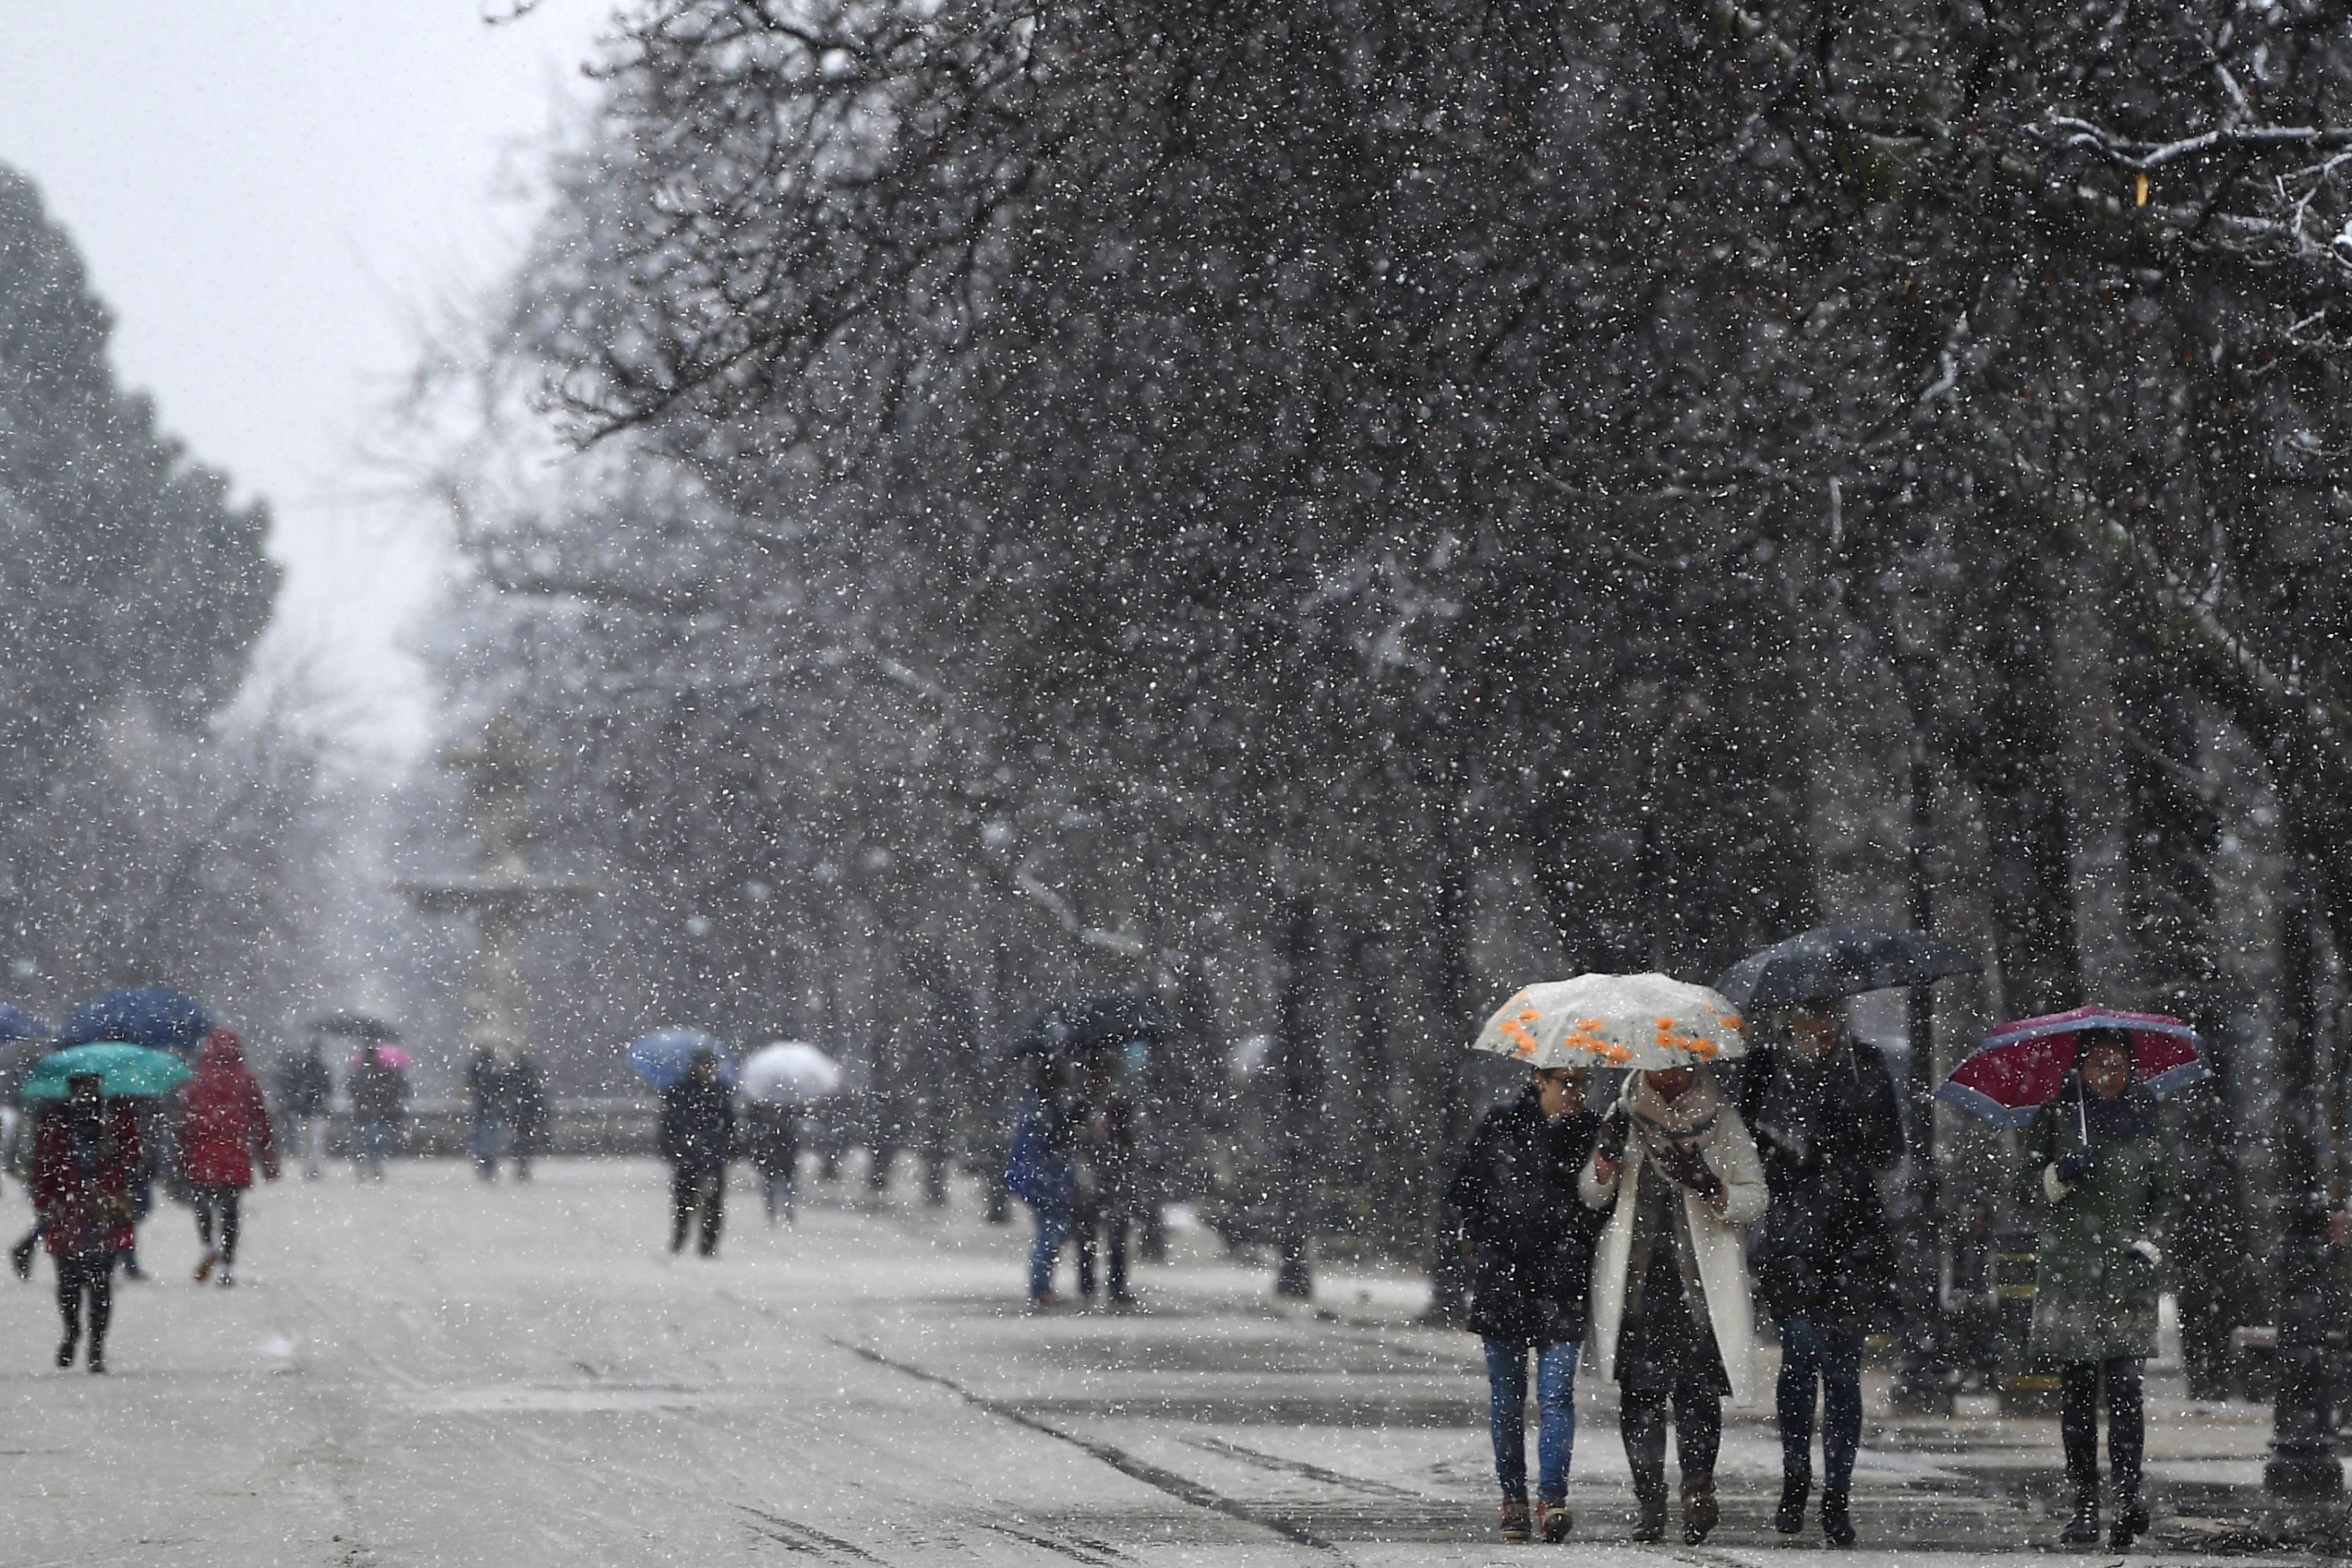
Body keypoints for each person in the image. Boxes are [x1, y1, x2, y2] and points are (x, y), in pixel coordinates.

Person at [1737, 1003, 1904, 1548]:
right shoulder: (1764, 1065)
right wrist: (1786, 1139)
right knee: (1799, 1358)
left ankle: (1836, 1493)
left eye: (1825, 1020)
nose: (1815, 1032)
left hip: (1852, 1237)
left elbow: (1889, 1148)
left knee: (1842, 1369)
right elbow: (1744, 1145)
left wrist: (1850, 1127)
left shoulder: (1865, 1064)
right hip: (1791, 1237)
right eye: (1804, 1023)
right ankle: (1794, 1478)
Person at [1581, 1061, 1766, 1545]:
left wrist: (1711, 1186)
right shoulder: (1621, 1113)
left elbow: (1755, 1198)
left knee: (1696, 1396)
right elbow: (1591, 1194)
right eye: (1658, 1064)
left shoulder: (1720, 1119)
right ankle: (1649, 1500)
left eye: (1678, 1064)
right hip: (1637, 1285)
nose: (1668, 1074)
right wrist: (1604, 1167)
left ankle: (1696, 1490)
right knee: (1639, 1398)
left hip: (1699, 1288)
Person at [2015, 1029, 2181, 1551]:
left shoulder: (2149, 1121)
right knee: (2078, 1395)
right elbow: (2022, 1190)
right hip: (2069, 1274)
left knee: (2126, 1391)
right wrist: (2058, 1174)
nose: (2107, 1075)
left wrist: (2148, 1242)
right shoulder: (2057, 1117)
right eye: (2097, 1065)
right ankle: (2084, 1505)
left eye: (2117, 1065)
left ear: (2132, 1068)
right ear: (2079, 1069)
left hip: (2126, 1277)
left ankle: (2128, 1496)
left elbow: (2169, 1196)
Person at [1448, 1063, 1608, 1544]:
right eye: (1568, 1083)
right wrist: (1479, 1231)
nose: (1577, 1092)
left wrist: (1596, 1187)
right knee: (1507, 1399)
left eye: (1584, 1083)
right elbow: (1464, 1189)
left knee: (1556, 1396)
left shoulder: (1591, 1133)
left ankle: (1552, 1499)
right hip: (1506, 1281)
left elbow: (1600, 1206)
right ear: (1541, 1080)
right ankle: (1513, 1498)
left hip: (1561, 1282)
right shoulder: (1500, 1124)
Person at [30, 1073, 141, 1372]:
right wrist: (43, 1203)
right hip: (67, 1212)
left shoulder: (117, 1115)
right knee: (67, 1284)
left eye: (94, 1084)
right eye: (83, 1085)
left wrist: (113, 1161)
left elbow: (134, 1158)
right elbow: (42, 1165)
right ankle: (72, 1331)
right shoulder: (55, 1119)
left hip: (104, 1213)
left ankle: (96, 1346)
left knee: (100, 1284)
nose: (89, 1091)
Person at [179, 1030, 279, 1286]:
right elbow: (260, 1120)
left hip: (203, 1153)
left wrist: (183, 1153)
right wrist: (267, 1157)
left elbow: (185, 1121)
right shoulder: (246, 1081)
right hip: (235, 1153)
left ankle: (207, 1243)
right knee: (231, 1211)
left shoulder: (198, 1080)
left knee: (202, 1204)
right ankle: (227, 1264)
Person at [1006, 1057, 1078, 1309]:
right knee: (1052, 1233)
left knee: (1051, 1232)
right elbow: (1045, 1144)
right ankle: (1041, 1288)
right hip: (1045, 1181)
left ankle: (1042, 1286)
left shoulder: (1038, 1106)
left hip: (1041, 1180)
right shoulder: (1045, 1109)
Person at [1071, 1055, 1141, 1308]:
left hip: (1113, 1178)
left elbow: (1128, 1141)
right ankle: (1088, 1284)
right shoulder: (1080, 1107)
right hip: (1089, 1179)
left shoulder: (1120, 1107)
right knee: (1087, 1236)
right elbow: (1072, 1140)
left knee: (1117, 1237)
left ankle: (1116, 1285)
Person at [660, 1049, 734, 1255]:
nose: (709, 1069)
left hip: (713, 1153)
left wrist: (729, 1147)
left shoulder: (720, 1091)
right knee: (684, 1200)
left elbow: (730, 1123)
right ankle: (681, 1235)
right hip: (688, 1153)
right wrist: (670, 1147)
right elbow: (669, 1122)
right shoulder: (681, 1091)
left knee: (714, 1202)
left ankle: (708, 1243)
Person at [349, 1044, 407, 1181]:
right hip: (377, 1112)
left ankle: (362, 1169)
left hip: (363, 1112)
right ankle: (375, 1167)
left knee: (362, 1142)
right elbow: (392, 1090)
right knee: (375, 1142)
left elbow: (352, 1088)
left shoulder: (359, 1071)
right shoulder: (384, 1071)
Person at [276, 1039, 334, 1179]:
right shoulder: (319, 1070)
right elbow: (327, 1089)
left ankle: (311, 1168)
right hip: (311, 1110)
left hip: (307, 1110)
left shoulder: (305, 1069)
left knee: (310, 1142)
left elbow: (293, 1087)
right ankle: (313, 1169)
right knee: (313, 1143)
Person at [744, 1099, 800, 1224]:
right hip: (774, 1156)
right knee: (775, 1184)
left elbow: (793, 1140)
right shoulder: (770, 1115)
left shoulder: (769, 1116)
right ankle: (777, 1209)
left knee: (779, 1184)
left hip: (778, 1156)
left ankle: (779, 1208)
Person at [465, 1044, 508, 1181]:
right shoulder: (495, 1070)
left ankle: (482, 1162)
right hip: (492, 1108)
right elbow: (503, 1087)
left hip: (480, 1108)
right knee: (491, 1138)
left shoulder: (476, 1069)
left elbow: (470, 1084)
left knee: (479, 1137)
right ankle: (489, 1163)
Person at [508, 1050, 549, 1181]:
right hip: (528, 1112)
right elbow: (538, 1095)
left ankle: (521, 1164)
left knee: (520, 1140)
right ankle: (524, 1165)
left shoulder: (514, 1076)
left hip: (519, 1112)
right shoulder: (531, 1077)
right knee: (527, 1140)